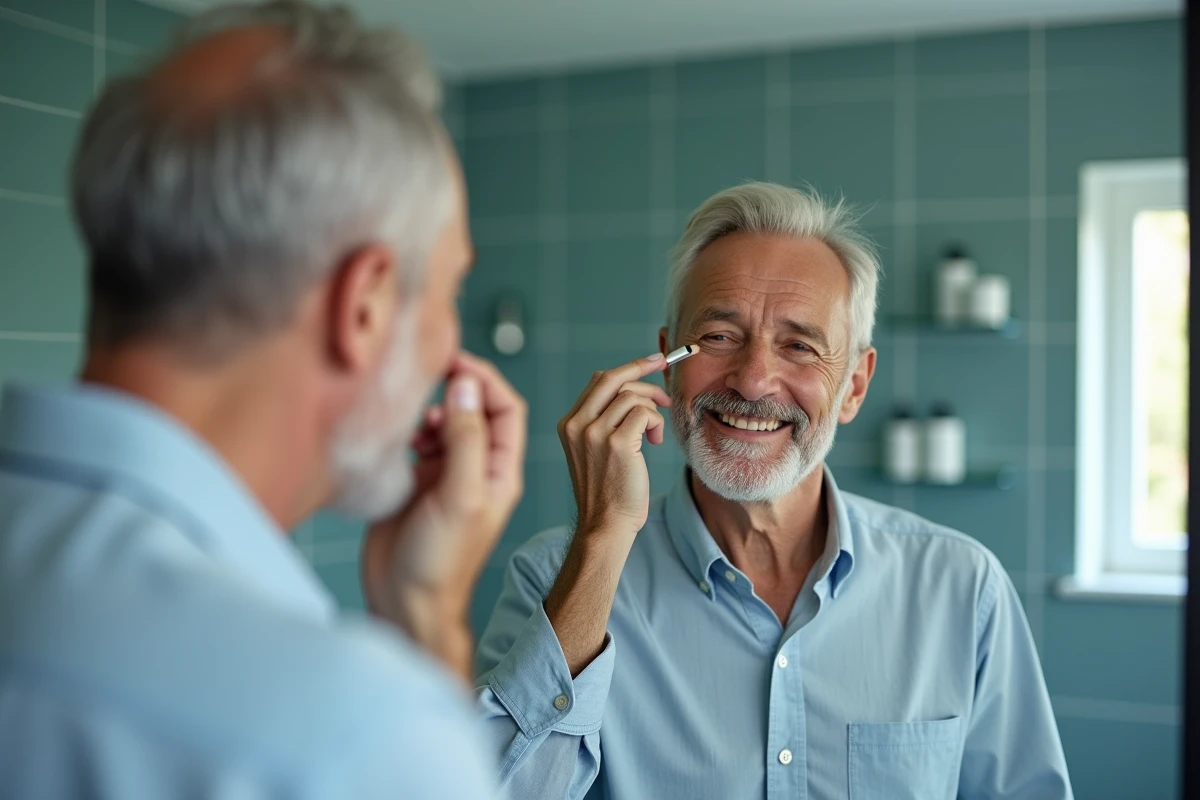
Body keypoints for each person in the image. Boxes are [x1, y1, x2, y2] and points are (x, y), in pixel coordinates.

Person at [0, 2, 525, 797]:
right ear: (366, 307)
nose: (452, 351)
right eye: (451, 289)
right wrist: (428, 630)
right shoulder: (361, 738)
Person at [476, 182, 1073, 799]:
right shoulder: (554, 575)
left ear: (855, 387)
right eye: (718, 337)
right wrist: (600, 543)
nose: (755, 380)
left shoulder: (963, 587)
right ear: (668, 360)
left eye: (799, 346)